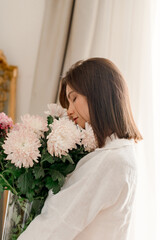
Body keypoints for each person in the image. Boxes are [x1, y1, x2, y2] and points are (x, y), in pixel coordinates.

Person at [18, 57, 142, 240]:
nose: (69, 110)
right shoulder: (121, 153)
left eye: (74, 98)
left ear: (98, 94)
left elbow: (55, 225)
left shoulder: (109, 160)